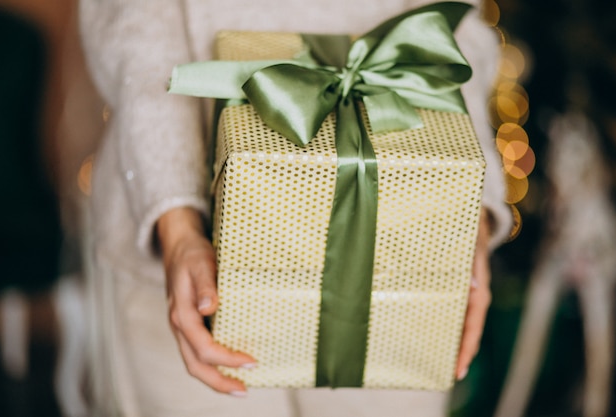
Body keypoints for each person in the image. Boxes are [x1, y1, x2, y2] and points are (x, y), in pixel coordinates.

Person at [78, 0, 513, 416]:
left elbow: (451, 27)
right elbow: (135, 28)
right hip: (175, 230)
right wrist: (177, 226)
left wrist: (467, 216)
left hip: (405, 227)